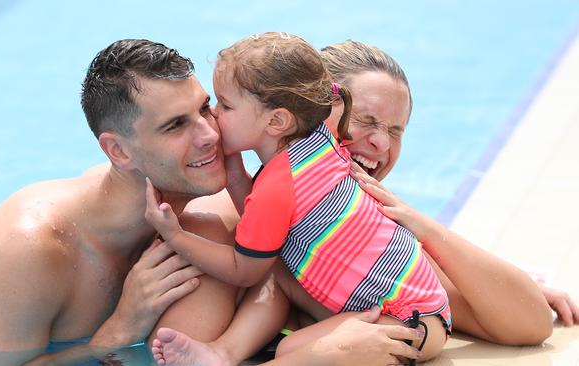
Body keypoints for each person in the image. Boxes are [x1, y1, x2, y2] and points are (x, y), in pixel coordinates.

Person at [0, 38, 423, 366]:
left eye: (206, 108)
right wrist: (118, 329)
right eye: (175, 126)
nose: (209, 134)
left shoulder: (211, 221)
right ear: (118, 151)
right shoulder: (32, 247)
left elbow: (286, 276)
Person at [147, 39, 579, 366]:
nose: (379, 142)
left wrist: (425, 231)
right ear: (317, 111)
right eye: (366, 120)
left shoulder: (351, 216)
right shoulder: (227, 219)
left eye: (396, 130)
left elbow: (528, 322)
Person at [146, 32, 451, 364]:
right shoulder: (317, 141)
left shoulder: (279, 186)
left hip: (410, 324)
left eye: (226, 105)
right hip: (416, 307)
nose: (214, 116)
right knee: (276, 268)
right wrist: (234, 172)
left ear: (277, 120)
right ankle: (220, 354)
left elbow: (243, 270)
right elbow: (266, 229)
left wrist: (176, 236)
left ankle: (221, 355)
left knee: (293, 350)